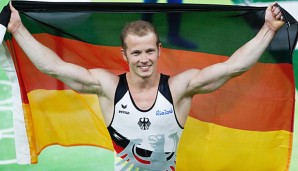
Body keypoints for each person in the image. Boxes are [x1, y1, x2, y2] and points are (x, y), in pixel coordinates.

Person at [7, 2, 285, 171]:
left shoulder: (178, 89)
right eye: (137, 53)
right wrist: (18, 29)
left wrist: (269, 29)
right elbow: (53, 67)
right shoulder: (107, 87)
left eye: (149, 51)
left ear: (159, 50)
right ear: (124, 55)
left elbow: (233, 67)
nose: (144, 60)